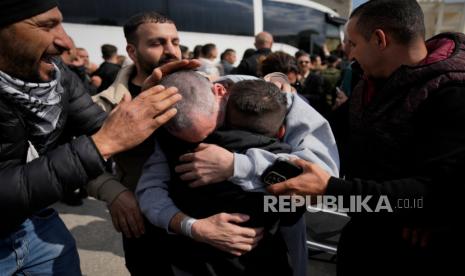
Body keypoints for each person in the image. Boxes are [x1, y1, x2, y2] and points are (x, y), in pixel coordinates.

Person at [267, 0, 465, 275]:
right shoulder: (372, 81)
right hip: (365, 240)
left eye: (354, 43)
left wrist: (331, 191)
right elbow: (331, 130)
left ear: (380, 39)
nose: (350, 55)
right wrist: (281, 107)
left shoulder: (453, 92)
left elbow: (434, 194)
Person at [0, 1, 181, 274]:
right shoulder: (102, 96)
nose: (66, 41)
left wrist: (144, 118)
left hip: (33, 224)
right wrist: (104, 152)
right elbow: (98, 142)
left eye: (175, 41)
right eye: (46, 26)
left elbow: (97, 131)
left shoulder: (58, 77)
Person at [90, 12, 263, 275]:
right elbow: (82, 160)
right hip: (147, 225)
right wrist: (114, 192)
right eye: (157, 43)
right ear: (132, 51)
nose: (171, 51)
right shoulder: (106, 105)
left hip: (210, 222)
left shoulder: (207, 86)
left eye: (175, 41)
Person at [137, 71, 340, 276]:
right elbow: (150, 189)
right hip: (197, 259)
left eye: (216, 126)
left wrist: (236, 165)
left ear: (220, 91)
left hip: (277, 252)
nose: (212, 142)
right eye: (191, 143)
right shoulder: (171, 119)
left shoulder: (277, 102)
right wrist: (192, 226)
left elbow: (322, 178)